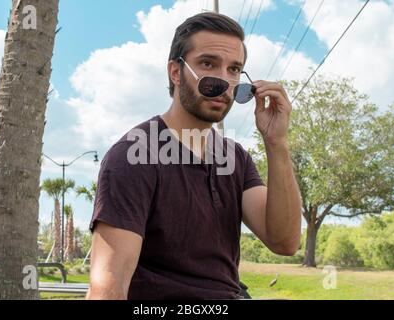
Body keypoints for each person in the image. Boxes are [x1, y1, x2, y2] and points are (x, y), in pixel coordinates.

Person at [86, 12, 302, 300]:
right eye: (208, 64)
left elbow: (284, 241)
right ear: (176, 72)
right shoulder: (133, 156)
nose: (224, 81)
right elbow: (108, 285)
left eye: (234, 69)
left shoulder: (235, 158)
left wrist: (276, 143)